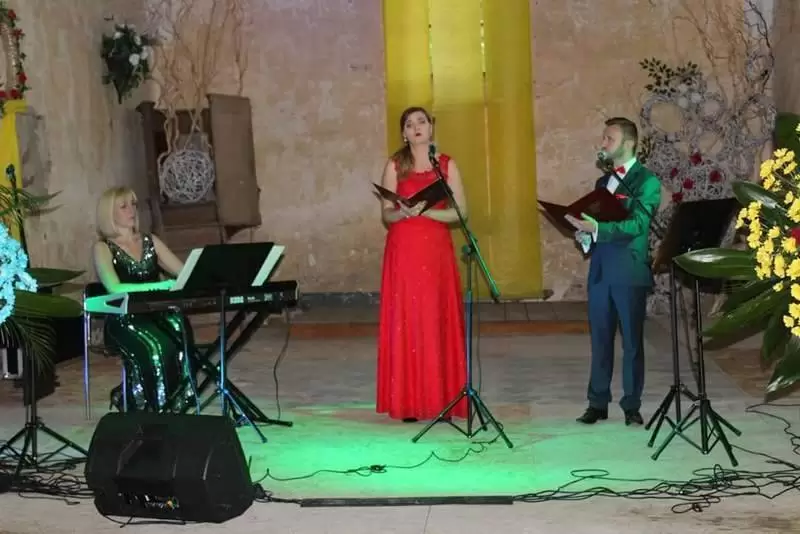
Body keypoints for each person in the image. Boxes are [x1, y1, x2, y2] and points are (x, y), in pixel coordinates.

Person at [565, 117, 661, 426]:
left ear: (629, 143)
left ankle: (631, 404)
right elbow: (598, 225)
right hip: (600, 271)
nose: (603, 143)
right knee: (600, 340)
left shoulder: (646, 181)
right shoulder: (602, 183)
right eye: (604, 138)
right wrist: (585, 234)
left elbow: (638, 224)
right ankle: (597, 402)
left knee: (632, 342)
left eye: (610, 138)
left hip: (628, 270)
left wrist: (598, 228)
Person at [376, 106, 469, 423]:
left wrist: (426, 211)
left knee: (434, 318)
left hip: (435, 251)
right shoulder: (395, 164)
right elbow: (386, 213)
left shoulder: (447, 165)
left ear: (431, 127)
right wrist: (401, 212)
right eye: (409, 124)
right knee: (408, 320)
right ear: (404, 133)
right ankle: (409, 402)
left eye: (421, 121)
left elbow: (460, 213)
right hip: (404, 250)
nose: (416, 127)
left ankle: (441, 399)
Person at [93, 186, 197, 413]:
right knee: (157, 346)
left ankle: (179, 399)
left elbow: (183, 273)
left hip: (157, 312)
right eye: (124, 206)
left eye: (133, 204)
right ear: (109, 214)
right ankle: (155, 404)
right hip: (125, 318)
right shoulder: (103, 248)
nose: (132, 210)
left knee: (180, 328)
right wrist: (158, 285)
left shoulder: (150, 241)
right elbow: (114, 287)